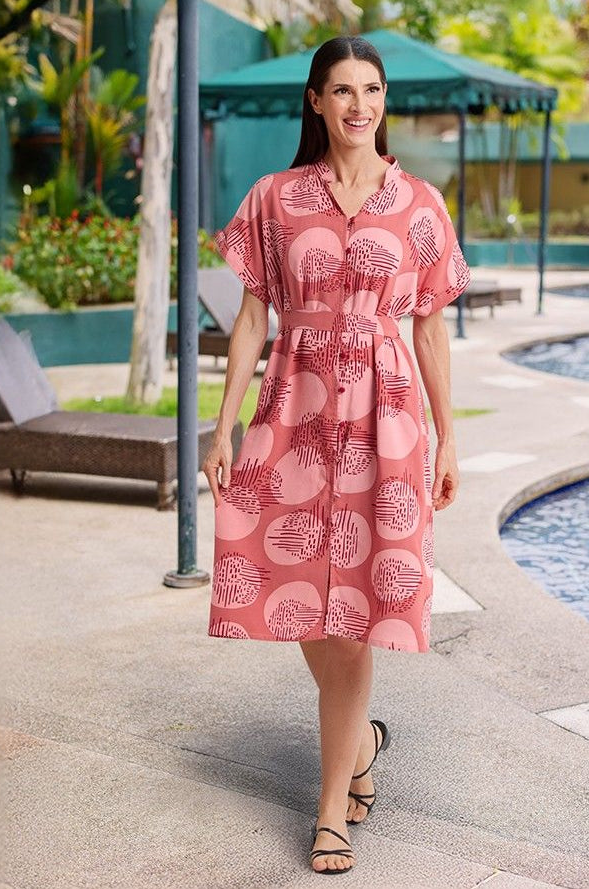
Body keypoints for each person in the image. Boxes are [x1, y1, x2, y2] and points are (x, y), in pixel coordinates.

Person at [201, 34, 470, 875]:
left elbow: (429, 326)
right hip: (293, 404)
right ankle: (357, 748)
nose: (360, 105)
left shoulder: (419, 203)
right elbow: (249, 321)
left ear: (384, 101)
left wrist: (449, 432)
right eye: (342, 90)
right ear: (314, 101)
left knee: (351, 612)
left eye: (373, 90)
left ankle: (329, 814)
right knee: (290, 590)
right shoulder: (274, 198)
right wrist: (223, 422)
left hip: (384, 415)